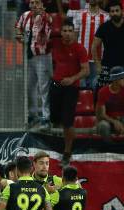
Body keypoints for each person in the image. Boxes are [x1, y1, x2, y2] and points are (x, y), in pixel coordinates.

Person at [50, 20, 89, 166]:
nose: (67, 33)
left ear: (74, 32)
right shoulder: (55, 45)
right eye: (64, 30)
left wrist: (72, 79)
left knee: (67, 121)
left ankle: (67, 152)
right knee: (54, 118)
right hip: (55, 85)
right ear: (61, 32)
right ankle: (70, 140)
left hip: (71, 88)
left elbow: (86, 70)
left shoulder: (79, 49)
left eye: (69, 31)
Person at [15, 0, 53, 129]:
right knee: (29, 87)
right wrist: (19, 35)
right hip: (29, 57)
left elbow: (45, 37)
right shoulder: (25, 16)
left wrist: (41, 17)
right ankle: (33, 115)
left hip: (43, 57)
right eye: (32, 2)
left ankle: (46, 118)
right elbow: (17, 27)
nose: (34, 5)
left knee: (44, 88)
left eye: (37, 2)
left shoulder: (47, 18)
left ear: (42, 6)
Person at [92, 0, 124, 89]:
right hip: (107, 66)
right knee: (102, 91)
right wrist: (98, 65)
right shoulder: (104, 27)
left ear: (122, 11)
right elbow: (94, 47)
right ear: (109, 13)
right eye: (112, 11)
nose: (115, 13)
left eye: (117, 11)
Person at [66, 0, 109, 90]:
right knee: (81, 87)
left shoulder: (106, 17)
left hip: (98, 58)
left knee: (95, 87)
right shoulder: (79, 14)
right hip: (82, 58)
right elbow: (75, 37)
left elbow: (107, 40)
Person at [95, 66, 124, 143]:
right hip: (108, 119)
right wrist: (114, 122)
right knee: (103, 126)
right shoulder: (102, 91)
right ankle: (109, 146)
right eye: (122, 78)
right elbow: (102, 114)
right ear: (116, 80)